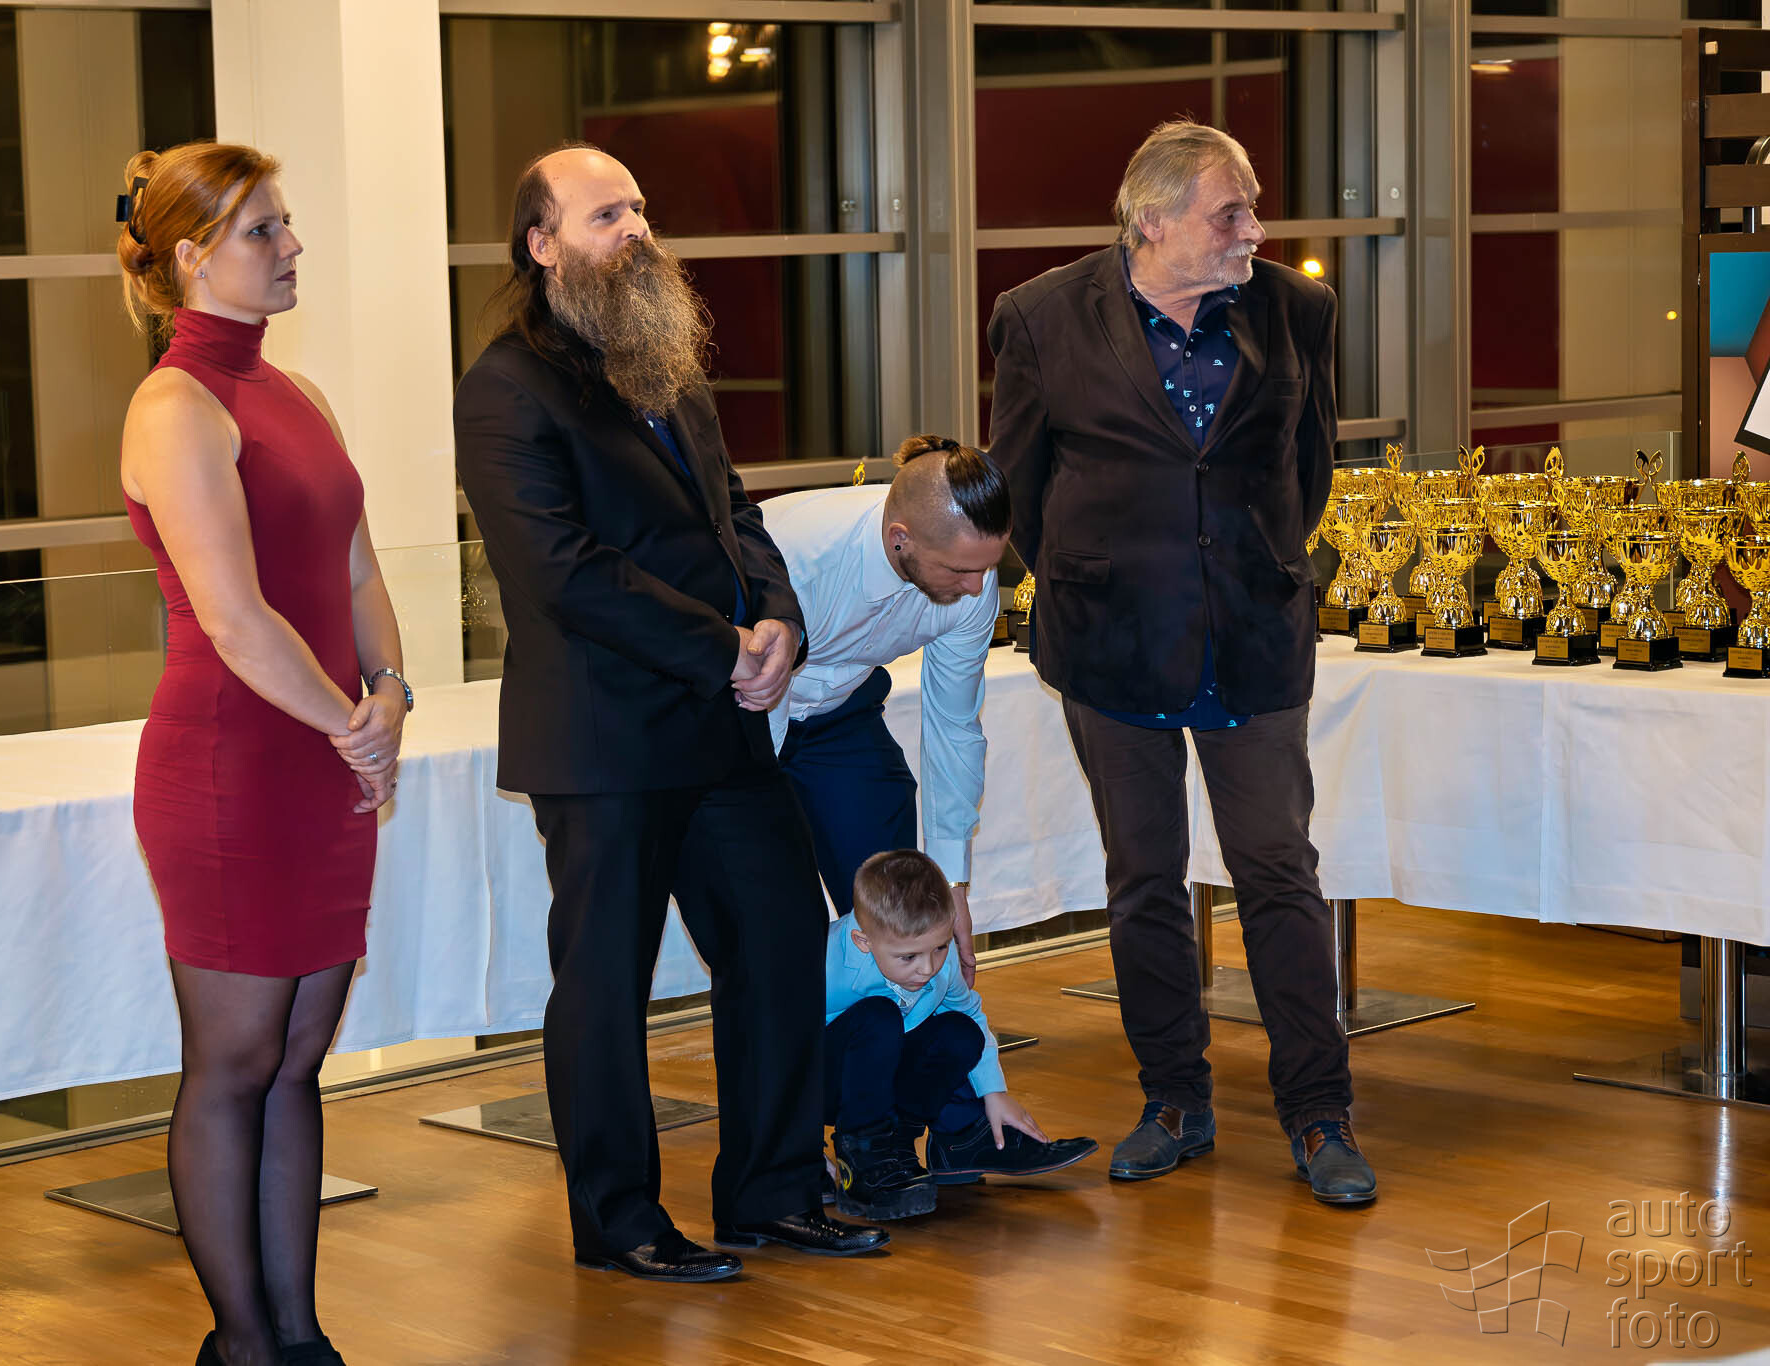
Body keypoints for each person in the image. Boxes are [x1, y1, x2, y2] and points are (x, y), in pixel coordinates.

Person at [452, 143, 886, 1282]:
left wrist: (778, 619)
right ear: (542, 245)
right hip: (604, 741)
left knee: (779, 941)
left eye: (639, 207)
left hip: (721, 725)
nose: (636, 230)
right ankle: (620, 1222)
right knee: (605, 986)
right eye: (605, 215)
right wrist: (719, 647)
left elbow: (734, 514)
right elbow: (561, 571)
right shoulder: (504, 388)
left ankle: (774, 1192)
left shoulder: (664, 366)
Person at [985, 120, 1374, 1205]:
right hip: (1111, 645)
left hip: (1253, 637)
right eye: (1229, 212)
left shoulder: (1295, 311)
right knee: (1143, 880)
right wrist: (1096, 579)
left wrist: (1256, 567)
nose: (1255, 230)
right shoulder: (1040, 317)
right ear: (1151, 221)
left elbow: (1309, 469)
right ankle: (1172, 1101)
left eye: (1252, 206)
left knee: (1278, 873)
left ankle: (1319, 1112)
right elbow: (1017, 485)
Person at [117, 140, 407, 1366]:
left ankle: (300, 1334)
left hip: (324, 756)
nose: (291, 246)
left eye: (284, 225)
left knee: (296, 1063)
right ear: (192, 257)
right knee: (233, 1065)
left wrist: (389, 692)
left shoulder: (300, 395)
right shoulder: (173, 407)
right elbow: (234, 619)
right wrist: (352, 728)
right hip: (233, 766)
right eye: (262, 231)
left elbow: (357, 569)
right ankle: (240, 1343)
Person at [750, 434, 1010, 990]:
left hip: (841, 713)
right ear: (900, 539)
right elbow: (755, 701)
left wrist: (952, 886)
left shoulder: (974, 578)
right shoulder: (801, 558)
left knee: (898, 902)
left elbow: (954, 725)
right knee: (772, 910)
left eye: (987, 568)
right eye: (958, 570)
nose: (976, 588)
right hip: (742, 715)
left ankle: (897, 1033)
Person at [824, 850, 1096, 1220]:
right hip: (823, 1084)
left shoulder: (940, 959)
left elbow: (970, 1012)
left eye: (940, 947)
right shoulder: (827, 964)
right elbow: (779, 1049)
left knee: (960, 1032)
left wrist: (994, 1093)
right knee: (879, 1016)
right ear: (863, 941)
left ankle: (897, 1146)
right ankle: (862, 1161)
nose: (928, 968)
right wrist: (799, 1148)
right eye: (909, 957)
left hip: (882, 1075)